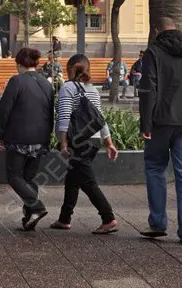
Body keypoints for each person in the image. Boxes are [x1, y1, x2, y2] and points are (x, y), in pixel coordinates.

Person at [138, 17, 182, 245]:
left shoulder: (153, 53)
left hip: (160, 122)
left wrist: (145, 124)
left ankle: (158, 223)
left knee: (155, 168)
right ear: (177, 28)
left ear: (157, 30)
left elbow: (148, 89)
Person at [50, 54, 119, 234]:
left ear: (70, 69)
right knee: (73, 179)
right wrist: (108, 142)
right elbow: (100, 119)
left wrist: (63, 143)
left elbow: (64, 117)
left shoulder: (68, 87)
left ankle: (108, 217)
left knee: (87, 182)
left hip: (77, 141)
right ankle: (64, 218)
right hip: (94, 140)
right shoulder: (93, 89)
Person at [0, 46, 54, 231]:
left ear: (19, 63)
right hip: (40, 138)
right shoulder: (46, 83)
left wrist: (1, 134)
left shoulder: (16, 81)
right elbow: (50, 112)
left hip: (19, 137)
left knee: (14, 176)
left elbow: (5, 110)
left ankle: (36, 207)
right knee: (28, 178)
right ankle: (30, 217)